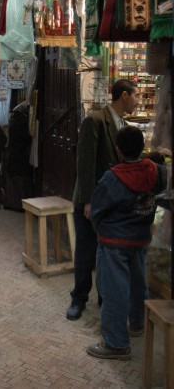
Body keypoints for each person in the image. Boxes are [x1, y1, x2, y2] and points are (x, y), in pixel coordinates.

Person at [87, 125, 165, 360]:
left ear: (118, 150)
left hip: (114, 241)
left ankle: (116, 343)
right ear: (142, 147)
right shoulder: (155, 171)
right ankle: (137, 324)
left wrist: (100, 230)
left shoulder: (113, 177)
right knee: (138, 283)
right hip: (140, 238)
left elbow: (97, 210)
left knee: (114, 290)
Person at [66, 79, 139, 321]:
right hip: (90, 201)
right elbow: (84, 163)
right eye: (136, 96)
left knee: (106, 253)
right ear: (125, 96)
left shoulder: (124, 125)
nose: (137, 102)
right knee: (86, 252)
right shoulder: (95, 120)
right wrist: (87, 201)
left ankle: (104, 296)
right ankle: (78, 298)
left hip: (110, 202)